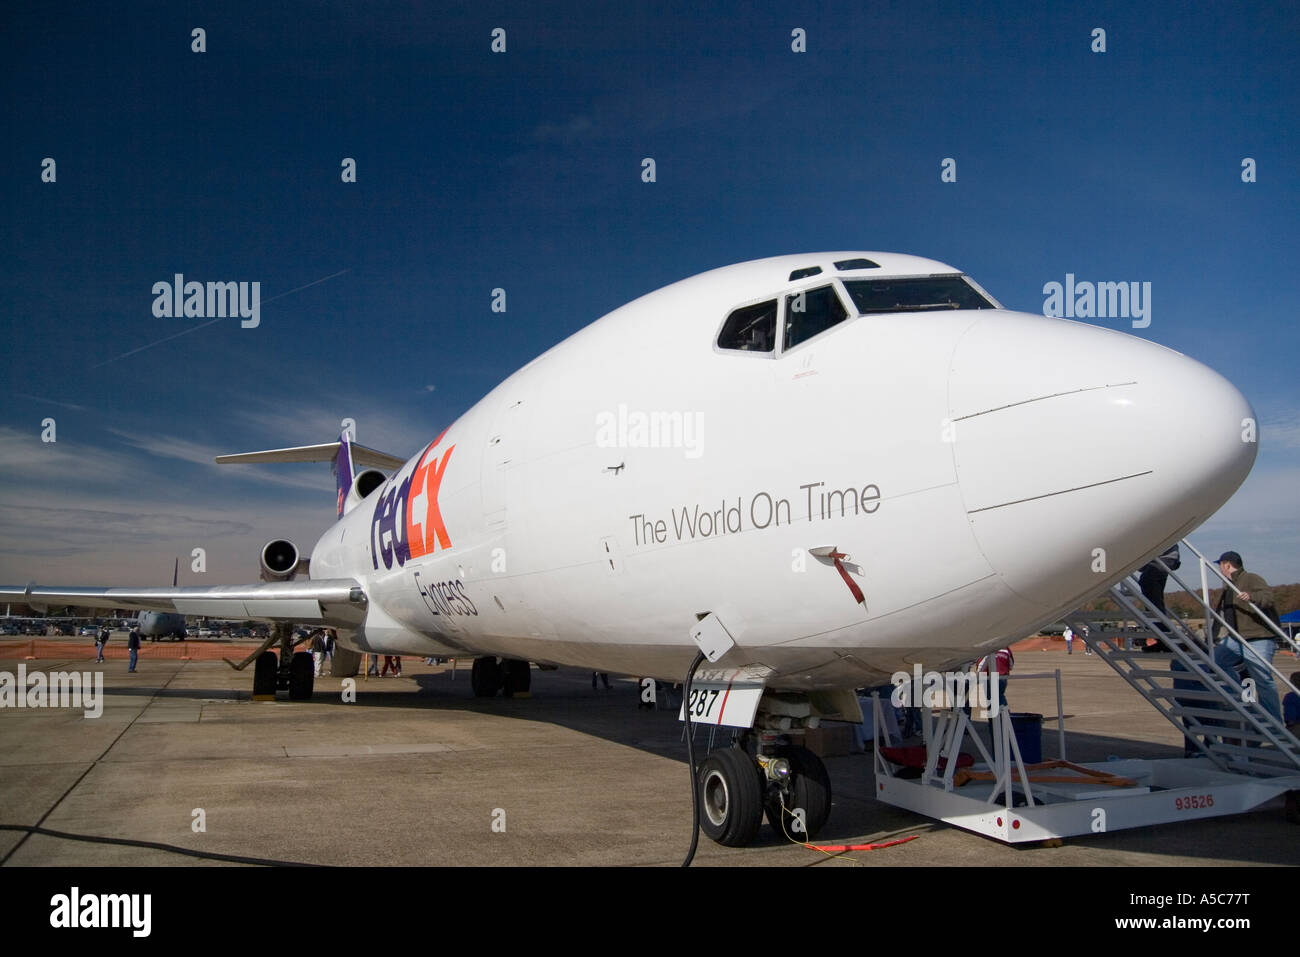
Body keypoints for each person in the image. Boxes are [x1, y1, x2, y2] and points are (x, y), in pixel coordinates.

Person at [1210, 551, 1283, 723]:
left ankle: (1273, 723)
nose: (1219, 569)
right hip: (1237, 638)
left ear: (1227, 565)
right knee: (1216, 661)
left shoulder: (1250, 578)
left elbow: (1268, 598)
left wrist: (1252, 597)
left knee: (1262, 680)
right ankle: (1238, 700)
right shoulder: (1228, 585)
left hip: (1258, 637)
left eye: (1220, 564)